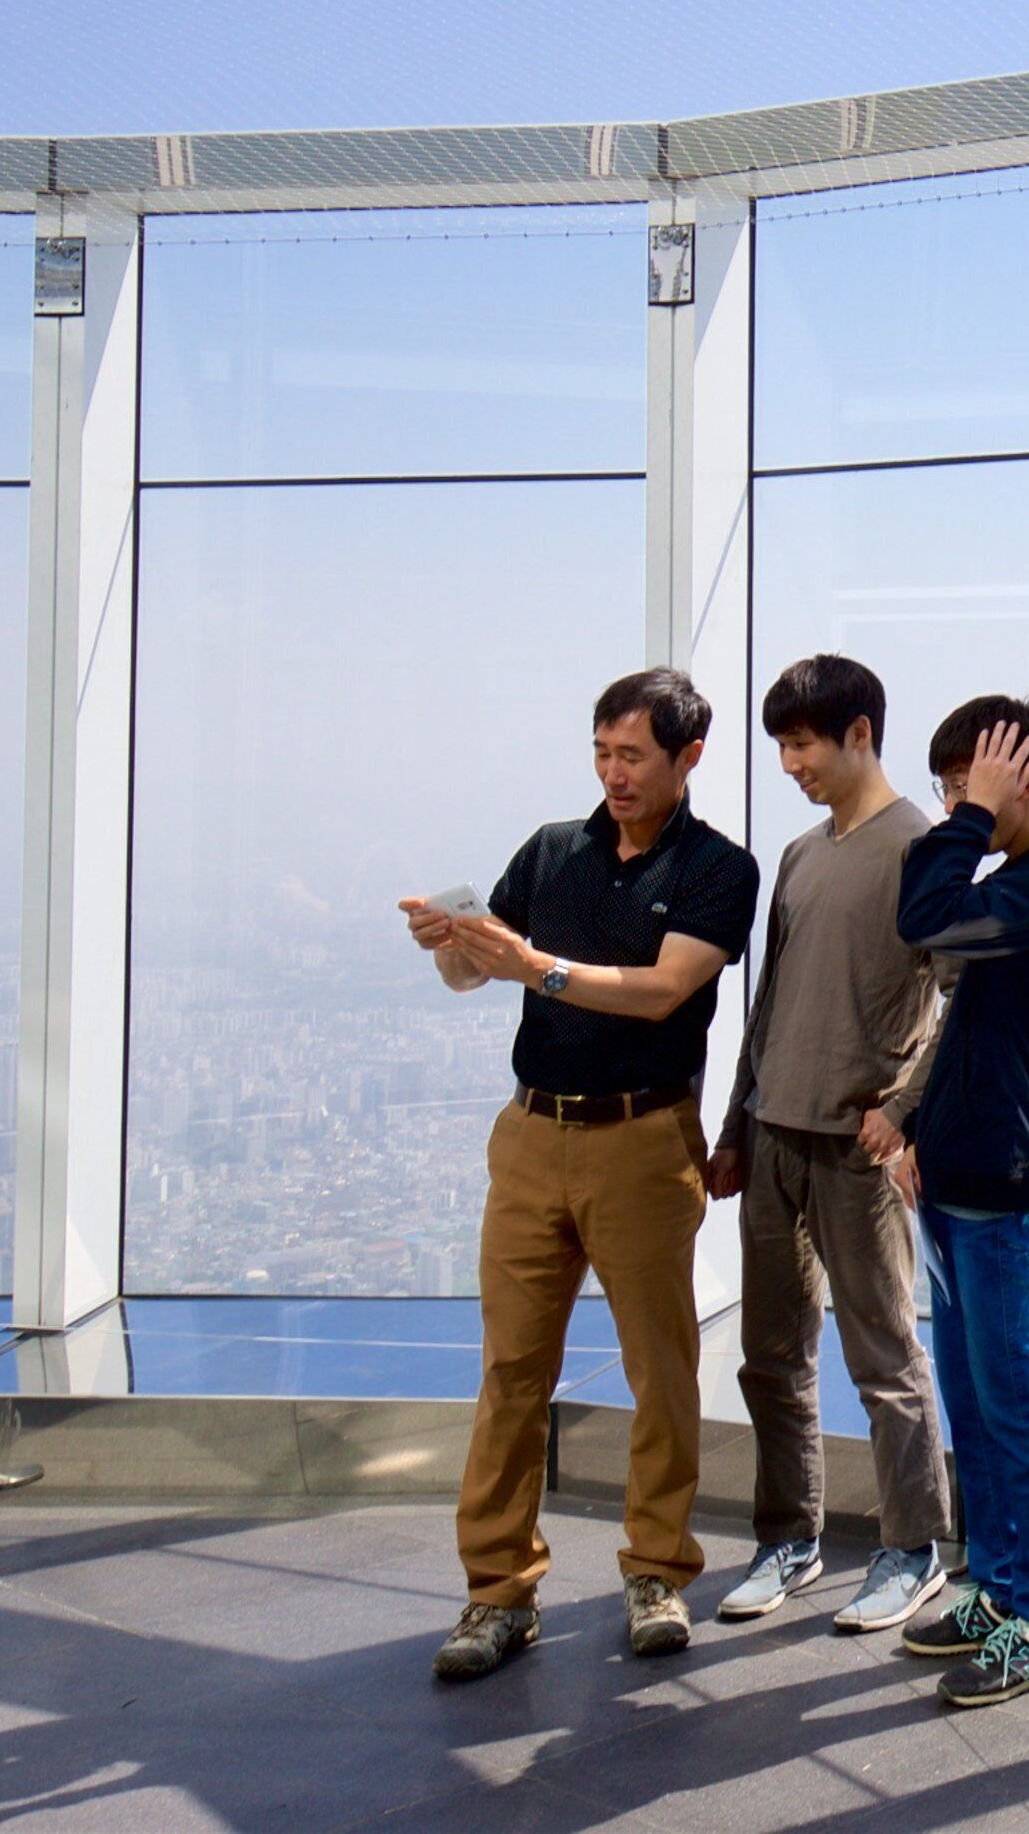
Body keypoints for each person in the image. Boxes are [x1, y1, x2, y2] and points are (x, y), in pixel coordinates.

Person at [399, 668, 759, 1682]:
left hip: (644, 1143)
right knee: (512, 1369)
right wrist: (453, 945)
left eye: (634, 756)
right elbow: (477, 975)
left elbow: (663, 992)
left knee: (658, 1367)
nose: (614, 775)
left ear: (688, 757)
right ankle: (497, 1591)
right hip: (529, 1136)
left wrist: (535, 966)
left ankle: (656, 1573)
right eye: (602, 753)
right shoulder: (551, 850)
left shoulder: (718, 869)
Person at [704, 655, 956, 1633]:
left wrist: (905, 1112)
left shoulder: (920, 849)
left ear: (859, 734)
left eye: (801, 742)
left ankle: (911, 1551)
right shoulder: (803, 856)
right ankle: (788, 1541)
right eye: (780, 744)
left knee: (886, 1360)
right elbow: (767, 1007)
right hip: (772, 1142)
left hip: (855, 1152)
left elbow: (956, 1002)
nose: (788, 762)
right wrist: (735, 1126)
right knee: (771, 1357)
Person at [885, 696, 1029, 1710]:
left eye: (963, 781)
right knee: (974, 1403)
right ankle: (1001, 1591)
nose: (951, 804)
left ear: (1018, 771)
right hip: (955, 1176)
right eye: (944, 789)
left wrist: (968, 819)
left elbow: (919, 915)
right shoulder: (1020, 880)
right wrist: (918, 1130)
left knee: (1017, 1406)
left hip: (1008, 1186)